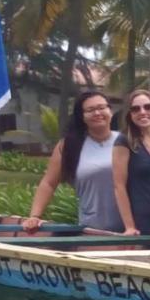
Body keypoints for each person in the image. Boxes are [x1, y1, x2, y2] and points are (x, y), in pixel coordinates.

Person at [23, 91, 123, 233]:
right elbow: (49, 183)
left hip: (133, 228)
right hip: (93, 230)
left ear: (110, 111)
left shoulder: (126, 142)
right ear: (81, 116)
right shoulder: (70, 146)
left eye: (101, 108)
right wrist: (35, 216)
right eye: (90, 110)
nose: (97, 113)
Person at [112, 90, 150, 236]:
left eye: (148, 107)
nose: (142, 112)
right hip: (142, 223)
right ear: (129, 114)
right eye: (135, 109)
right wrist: (129, 226)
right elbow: (119, 186)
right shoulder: (124, 142)